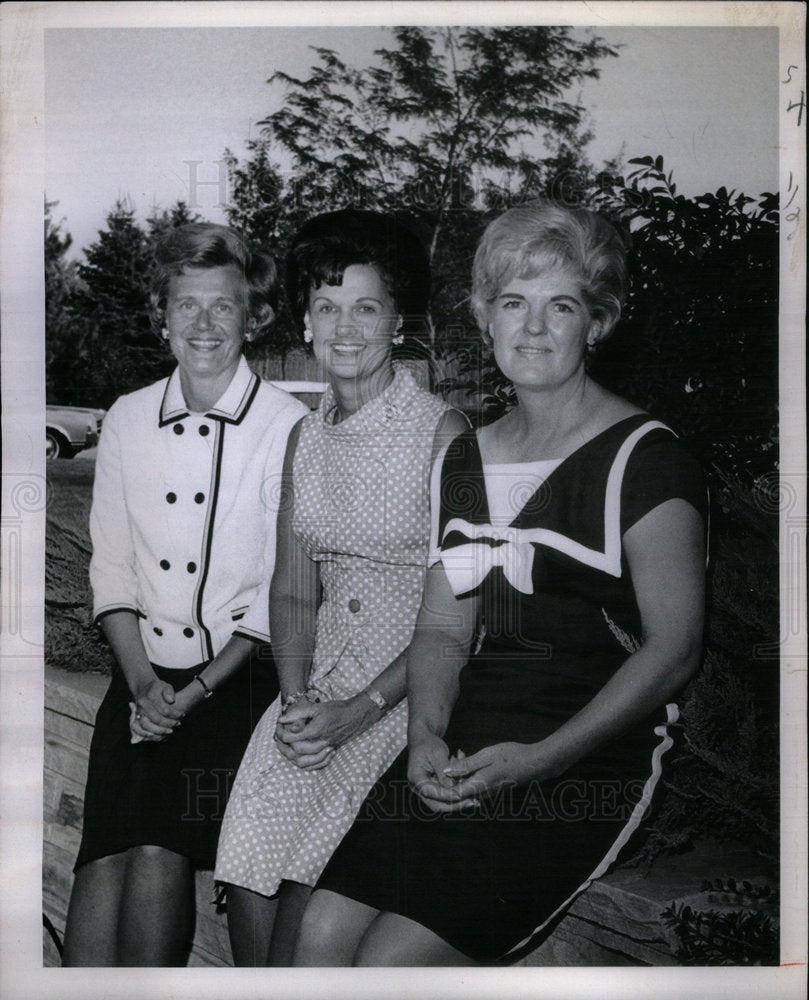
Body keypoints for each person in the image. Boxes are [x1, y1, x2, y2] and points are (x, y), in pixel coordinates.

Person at [294, 201, 709, 966]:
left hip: (586, 753)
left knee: (390, 961)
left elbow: (673, 650)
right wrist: (423, 734)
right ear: (484, 318)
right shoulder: (464, 459)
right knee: (318, 934)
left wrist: (545, 758)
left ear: (599, 322)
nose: (534, 328)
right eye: (512, 303)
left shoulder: (646, 458)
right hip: (467, 732)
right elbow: (445, 629)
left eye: (562, 306)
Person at [214, 209, 467, 965]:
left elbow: (458, 621)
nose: (344, 328)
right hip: (315, 692)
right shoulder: (304, 434)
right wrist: (294, 698)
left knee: (304, 907)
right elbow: (293, 593)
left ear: (398, 321)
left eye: (365, 307)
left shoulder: (442, 433)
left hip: (402, 697)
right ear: (304, 319)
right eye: (327, 307)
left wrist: (361, 710)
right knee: (248, 872)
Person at [61, 223, 308, 966]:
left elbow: (281, 591)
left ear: (253, 316)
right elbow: (113, 569)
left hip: (236, 681)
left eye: (222, 306)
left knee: (158, 846)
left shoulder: (287, 427)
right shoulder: (130, 415)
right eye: (185, 305)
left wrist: (190, 692)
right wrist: (140, 683)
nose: (202, 325)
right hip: (141, 675)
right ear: (160, 314)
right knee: (102, 852)